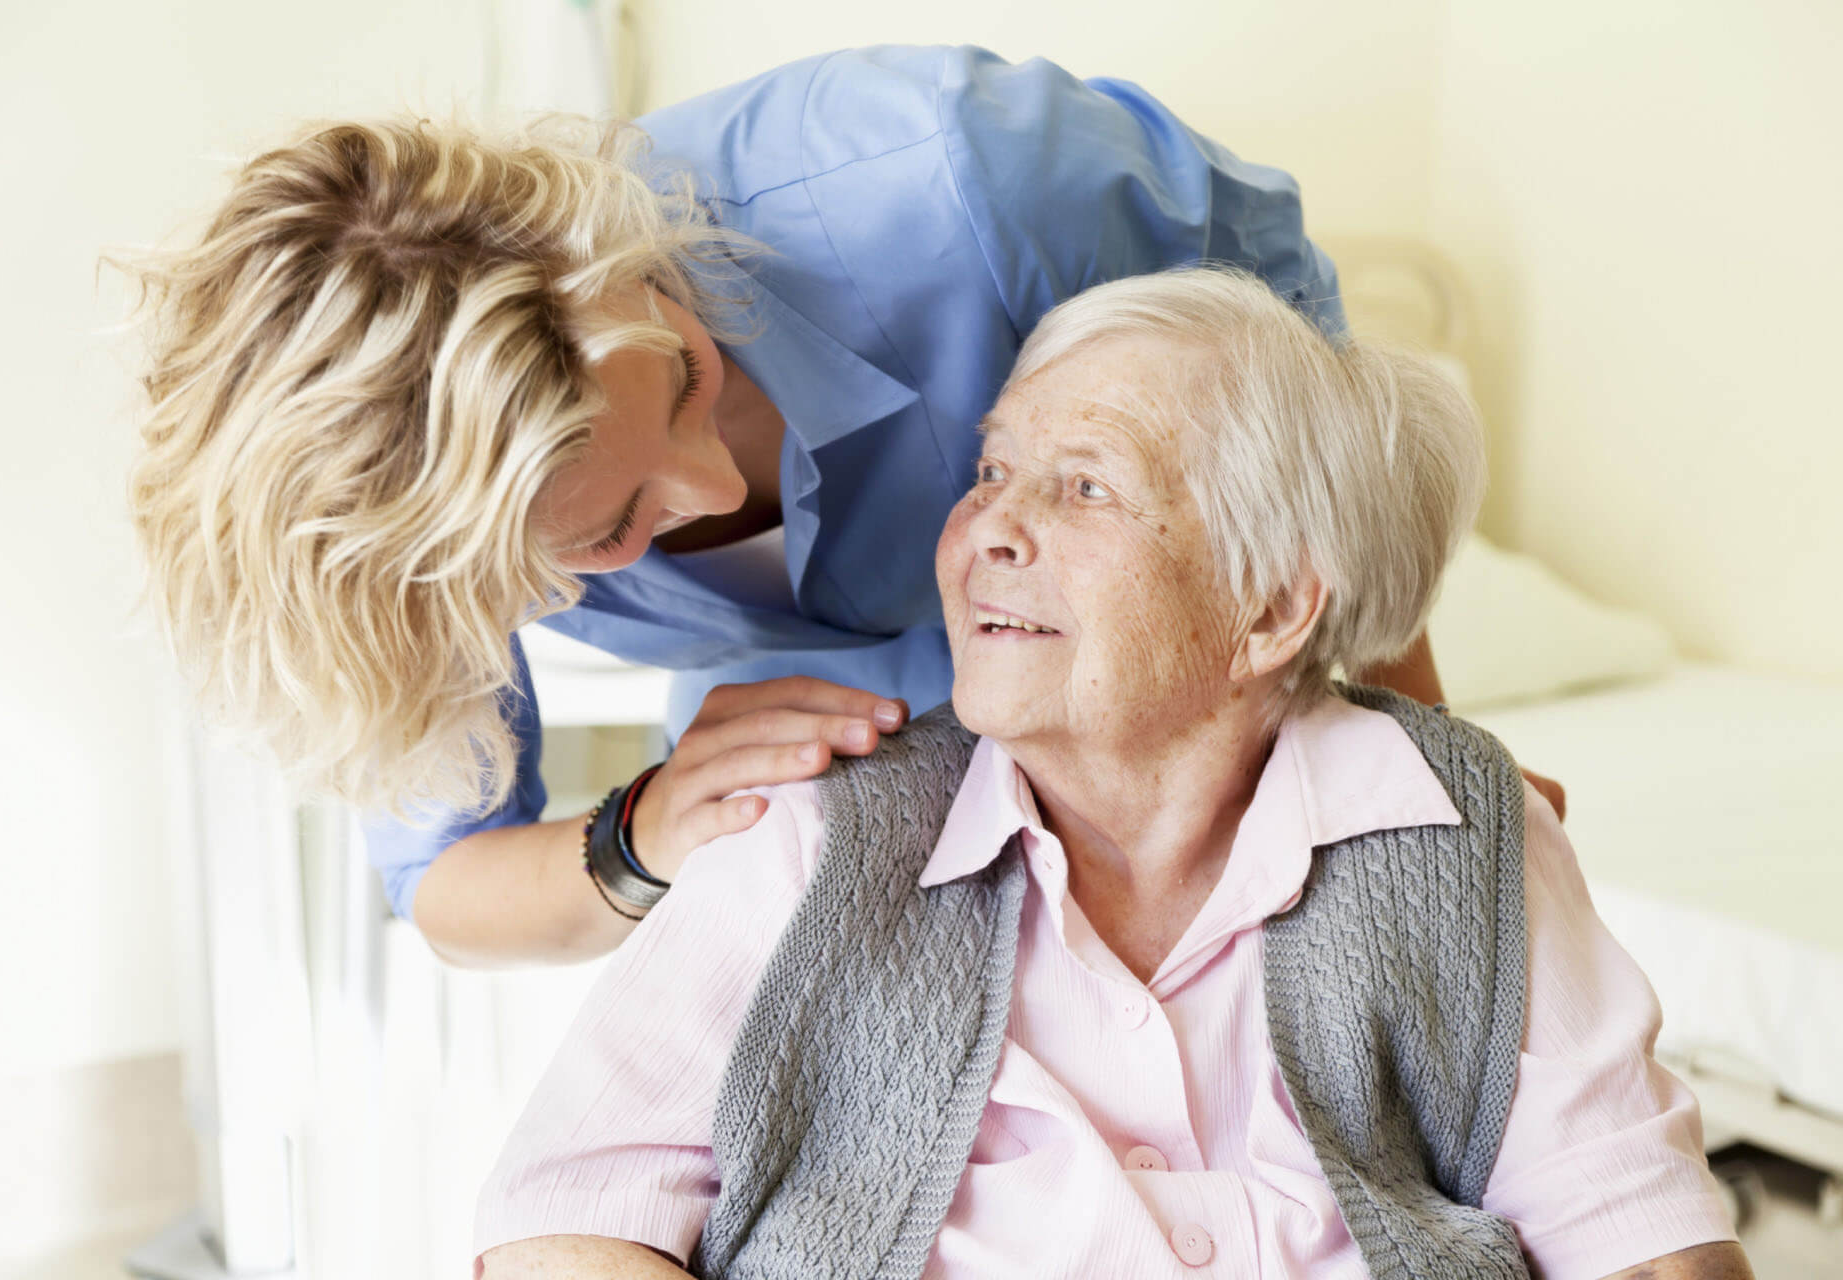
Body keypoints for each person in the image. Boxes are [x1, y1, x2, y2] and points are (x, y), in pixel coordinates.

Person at [124, 44, 1559, 968]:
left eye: (685, 383)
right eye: (610, 535)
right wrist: (642, 834)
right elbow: (445, 887)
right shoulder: (418, 530)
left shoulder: (963, 183)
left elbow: (1311, 427)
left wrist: (1422, 755)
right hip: (838, 783)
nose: (706, 495)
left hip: (1146, 695)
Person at [471, 268, 1745, 1280]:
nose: (987, 532)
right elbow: (561, 1224)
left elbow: (1643, 1236)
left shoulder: (1466, 832)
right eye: (989, 471)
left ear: (1270, 608)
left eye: (1084, 485)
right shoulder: (806, 836)